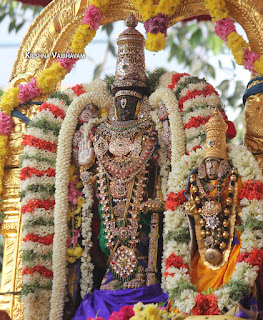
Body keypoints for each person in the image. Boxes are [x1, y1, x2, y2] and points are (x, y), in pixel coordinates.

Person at [72, 14, 168, 319]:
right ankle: (114, 275)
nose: (125, 104)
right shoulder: (99, 135)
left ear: (141, 100)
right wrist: (86, 166)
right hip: (110, 211)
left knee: (140, 241)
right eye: (121, 99)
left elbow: (165, 165)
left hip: (142, 210)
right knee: (107, 239)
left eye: (131, 99)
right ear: (113, 100)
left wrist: (165, 125)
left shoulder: (150, 131)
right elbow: (89, 186)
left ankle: (139, 275)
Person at [185, 108, 243, 291]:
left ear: (223, 164)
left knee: (236, 263)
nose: (210, 167)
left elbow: (241, 205)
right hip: (205, 242)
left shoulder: (233, 181)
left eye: (214, 163)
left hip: (229, 237)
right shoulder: (197, 183)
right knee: (196, 274)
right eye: (208, 163)